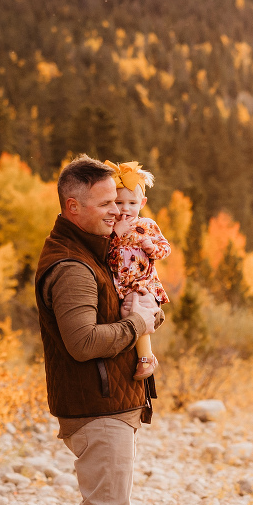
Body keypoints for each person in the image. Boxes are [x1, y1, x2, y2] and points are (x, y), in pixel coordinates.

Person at [34, 155, 167, 505]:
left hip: (107, 401)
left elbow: (125, 311)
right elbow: (84, 342)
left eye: (120, 200)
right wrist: (138, 327)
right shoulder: (71, 267)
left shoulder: (98, 253)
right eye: (107, 202)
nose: (118, 210)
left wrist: (143, 314)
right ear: (74, 206)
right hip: (97, 406)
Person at [104, 161, 170, 380]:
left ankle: (146, 358)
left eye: (132, 203)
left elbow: (165, 248)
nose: (125, 209)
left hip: (143, 282)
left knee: (136, 310)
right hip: (119, 284)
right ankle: (136, 356)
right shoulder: (110, 227)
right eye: (120, 202)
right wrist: (116, 234)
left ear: (142, 202)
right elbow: (104, 254)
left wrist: (152, 248)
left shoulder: (148, 225)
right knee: (125, 315)